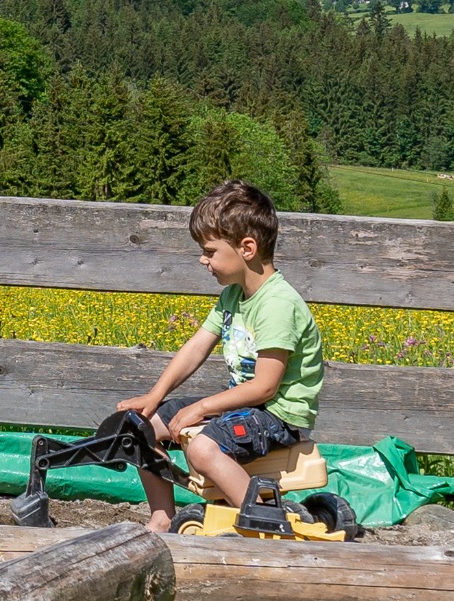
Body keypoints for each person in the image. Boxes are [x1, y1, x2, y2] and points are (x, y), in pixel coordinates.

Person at [111, 178, 324, 529]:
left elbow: (265, 388)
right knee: (141, 429)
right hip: (247, 406)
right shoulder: (233, 296)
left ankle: (268, 521)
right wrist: (155, 396)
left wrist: (201, 408)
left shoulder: (277, 305)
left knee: (202, 449)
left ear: (247, 248)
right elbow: (196, 347)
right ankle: (162, 519)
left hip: (277, 415)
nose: (202, 259)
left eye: (210, 251)